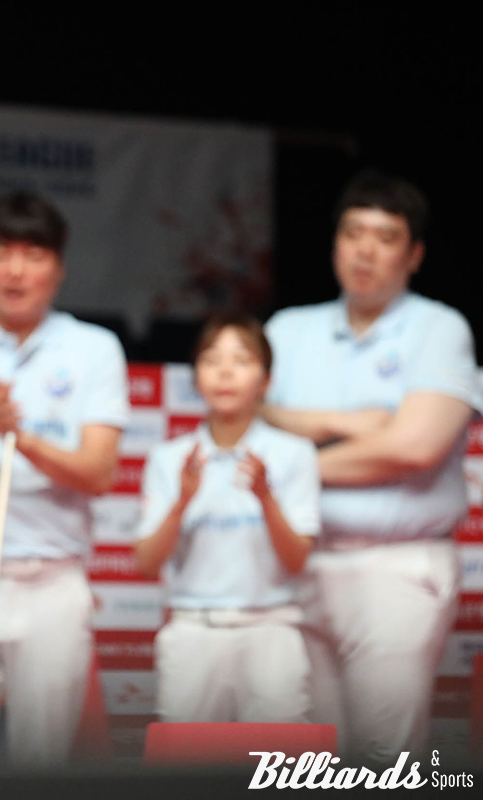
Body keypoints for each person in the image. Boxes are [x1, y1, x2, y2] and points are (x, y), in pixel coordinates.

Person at [262, 169, 482, 763]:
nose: (365, 249)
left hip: (396, 568)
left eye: (385, 237)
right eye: (353, 232)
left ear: (414, 255)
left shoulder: (440, 328)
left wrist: (294, 445)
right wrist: (364, 424)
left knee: (386, 758)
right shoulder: (287, 330)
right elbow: (251, 433)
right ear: (334, 242)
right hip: (296, 563)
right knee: (304, 759)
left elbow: (413, 449)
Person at [0, 191, 129, 766]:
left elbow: (99, 473)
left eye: (33, 254)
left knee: (46, 758)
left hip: (53, 584)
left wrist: (24, 438)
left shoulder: (94, 348)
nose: (15, 270)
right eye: (0, 253)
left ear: (58, 268)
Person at [135, 314, 319, 724]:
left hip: (271, 629)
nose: (225, 371)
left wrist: (266, 497)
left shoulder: (293, 454)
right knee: (188, 774)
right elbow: (146, 562)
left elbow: (297, 560)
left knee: (280, 773)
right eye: (212, 359)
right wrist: (182, 501)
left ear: (266, 381)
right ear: (196, 376)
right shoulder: (170, 458)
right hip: (192, 630)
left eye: (242, 360)